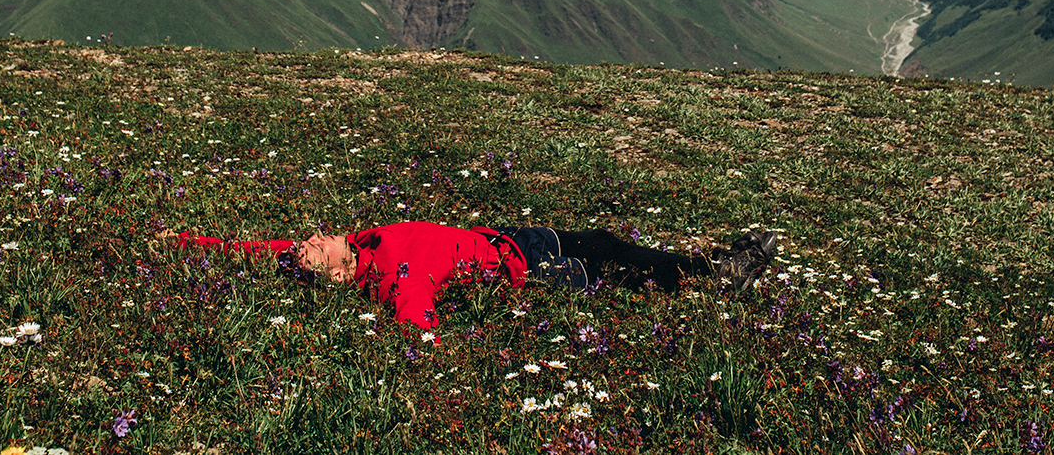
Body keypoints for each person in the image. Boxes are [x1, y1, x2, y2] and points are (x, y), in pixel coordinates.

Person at [165, 220, 777, 330]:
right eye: (310, 251)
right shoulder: (396, 273)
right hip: (527, 264)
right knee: (612, 260)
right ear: (333, 274)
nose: (310, 240)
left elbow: (259, 247)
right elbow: (417, 312)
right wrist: (427, 356)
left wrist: (192, 244)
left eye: (308, 240)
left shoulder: (360, 243)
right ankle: (711, 275)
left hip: (509, 241)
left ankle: (700, 271)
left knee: (612, 251)